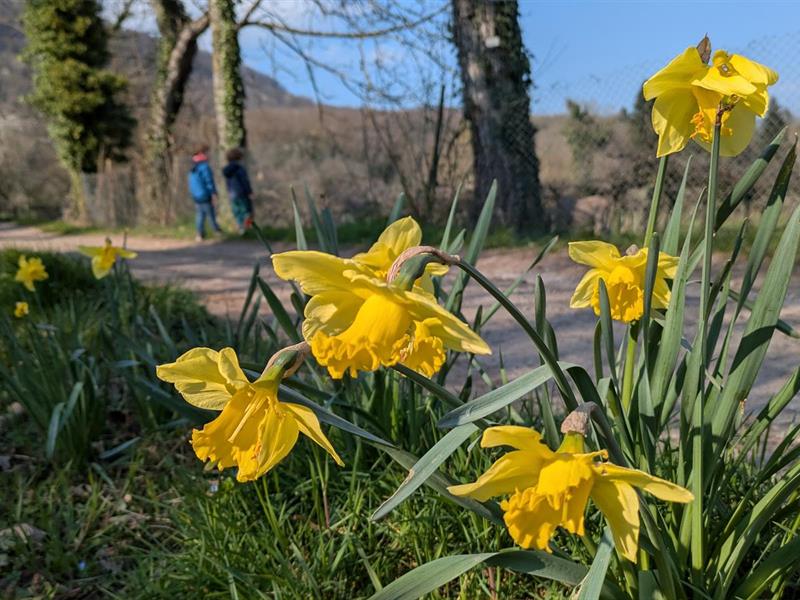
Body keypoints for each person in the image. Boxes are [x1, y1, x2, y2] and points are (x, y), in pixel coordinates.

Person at [188, 144, 222, 241]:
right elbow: (209, 181)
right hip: (205, 194)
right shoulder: (204, 166)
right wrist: (213, 193)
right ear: (203, 153)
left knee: (200, 214)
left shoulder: (193, 166)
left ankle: (199, 234)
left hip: (196, 195)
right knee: (210, 213)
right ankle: (217, 231)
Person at [222, 148, 254, 234]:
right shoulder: (240, 168)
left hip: (232, 194)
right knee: (246, 211)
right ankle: (247, 227)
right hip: (242, 193)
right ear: (238, 157)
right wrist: (249, 191)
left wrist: (229, 192)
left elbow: (228, 184)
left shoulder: (226, 170)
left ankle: (241, 228)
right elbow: (244, 181)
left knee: (237, 212)